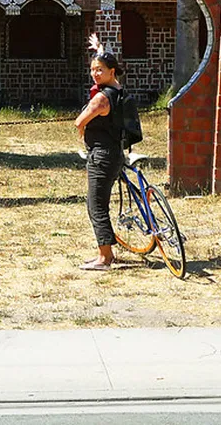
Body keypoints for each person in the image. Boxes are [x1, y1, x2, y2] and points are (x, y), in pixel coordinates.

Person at [74, 41, 124, 271]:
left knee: (96, 205)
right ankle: (106, 252)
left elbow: (79, 121)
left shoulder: (101, 98)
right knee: (100, 202)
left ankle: (105, 257)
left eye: (99, 70)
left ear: (111, 71)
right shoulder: (118, 90)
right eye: (93, 69)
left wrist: (82, 128)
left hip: (101, 156)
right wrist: (100, 49)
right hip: (115, 152)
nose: (95, 74)